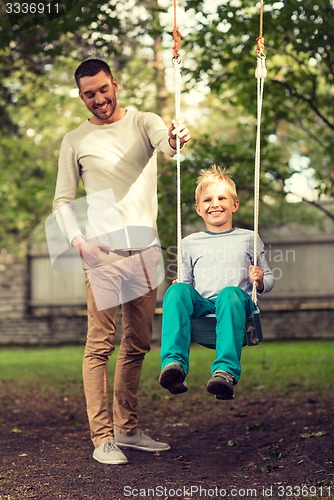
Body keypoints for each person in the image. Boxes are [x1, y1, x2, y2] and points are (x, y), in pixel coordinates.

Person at [52, 58, 191, 465]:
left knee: (137, 345)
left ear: (115, 83)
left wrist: (177, 138)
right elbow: (62, 201)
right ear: (81, 96)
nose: (98, 99)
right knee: (99, 347)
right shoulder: (74, 140)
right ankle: (103, 437)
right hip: (104, 255)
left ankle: (127, 429)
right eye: (89, 94)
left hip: (147, 253)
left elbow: (168, 145)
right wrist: (78, 241)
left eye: (102, 89)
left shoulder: (143, 121)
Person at [159, 165, 275, 400]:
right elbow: (186, 282)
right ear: (199, 208)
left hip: (235, 303)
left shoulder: (248, 238)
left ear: (235, 205)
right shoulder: (190, 242)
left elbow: (270, 279)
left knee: (229, 293)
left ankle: (225, 373)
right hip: (204, 306)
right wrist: (180, 287)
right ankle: (174, 366)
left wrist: (260, 281)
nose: (215, 203)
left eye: (222, 198)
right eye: (208, 199)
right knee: (176, 290)